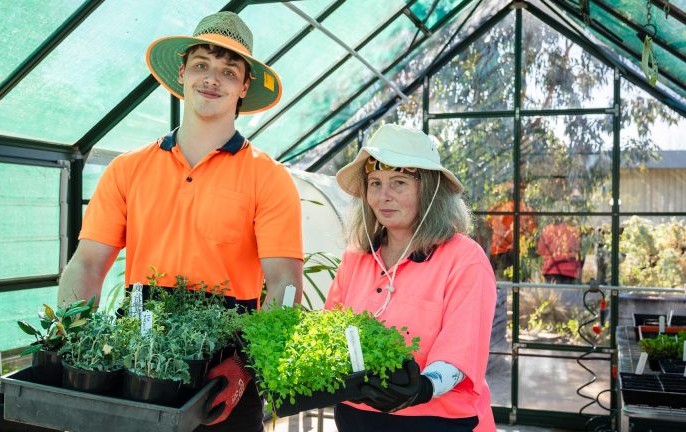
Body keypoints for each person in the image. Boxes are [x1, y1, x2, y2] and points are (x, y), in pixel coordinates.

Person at [56, 11, 303, 431]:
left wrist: (247, 366)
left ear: (244, 87)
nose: (213, 79)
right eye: (202, 65)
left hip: (226, 366)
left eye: (229, 71)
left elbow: (285, 284)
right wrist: (72, 341)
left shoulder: (269, 177)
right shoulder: (127, 169)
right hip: (139, 356)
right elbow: (87, 265)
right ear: (183, 72)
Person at [325, 124, 497, 431]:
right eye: (375, 183)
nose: (383, 197)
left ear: (429, 190)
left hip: (438, 420)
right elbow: (330, 332)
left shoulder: (464, 259)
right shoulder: (356, 258)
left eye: (399, 183)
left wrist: (423, 388)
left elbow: (461, 350)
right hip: (357, 416)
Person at [486, 183, 536, 279]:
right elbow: (530, 230)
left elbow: (488, 223)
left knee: (498, 281)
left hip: (498, 250)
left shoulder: (497, 208)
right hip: (513, 251)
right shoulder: (524, 209)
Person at [536, 220, 582, 284]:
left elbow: (541, 250)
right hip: (570, 271)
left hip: (551, 270)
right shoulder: (572, 231)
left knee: (553, 293)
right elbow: (578, 249)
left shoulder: (547, 230)